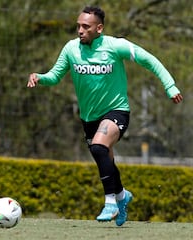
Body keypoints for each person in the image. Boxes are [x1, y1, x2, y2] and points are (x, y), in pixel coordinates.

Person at [27, 6, 183, 226]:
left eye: (86, 26)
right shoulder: (71, 49)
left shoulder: (114, 45)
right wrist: (39, 77)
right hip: (89, 118)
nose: (80, 30)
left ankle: (110, 201)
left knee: (99, 146)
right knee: (104, 159)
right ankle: (121, 196)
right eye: (78, 26)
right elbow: (54, 76)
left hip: (116, 110)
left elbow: (150, 60)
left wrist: (170, 86)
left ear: (99, 28)